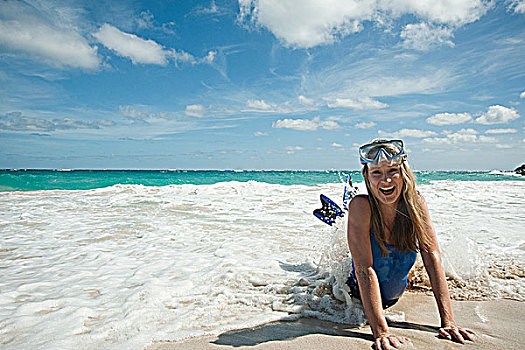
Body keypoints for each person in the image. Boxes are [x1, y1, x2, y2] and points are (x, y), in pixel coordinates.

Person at [346, 139, 475, 349]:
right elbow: (363, 268)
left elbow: (432, 257)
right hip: (355, 294)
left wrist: (448, 321)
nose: (385, 180)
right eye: (376, 172)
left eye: (392, 171)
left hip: (394, 297)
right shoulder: (361, 207)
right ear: (367, 177)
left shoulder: (416, 204)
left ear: (403, 172)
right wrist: (381, 331)